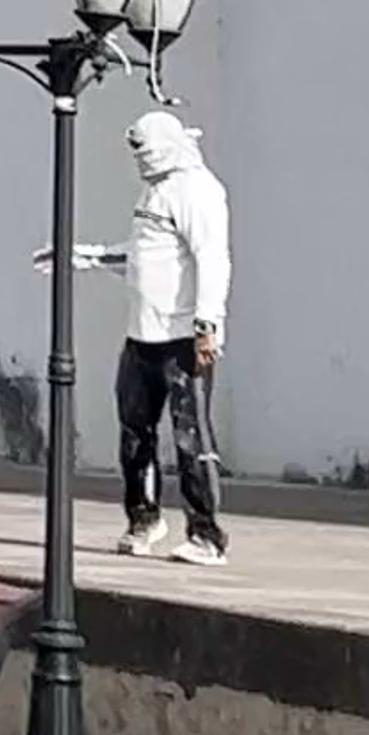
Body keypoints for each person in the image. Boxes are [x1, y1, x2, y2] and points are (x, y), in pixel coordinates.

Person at [114, 99, 232, 558]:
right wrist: (79, 257)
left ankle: (206, 534)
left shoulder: (196, 190)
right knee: (134, 433)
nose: (141, 159)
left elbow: (213, 259)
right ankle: (144, 519)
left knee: (190, 438)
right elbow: (142, 255)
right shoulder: (154, 191)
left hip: (182, 340)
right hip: (141, 337)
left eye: (145, 149)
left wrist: (207, 325)